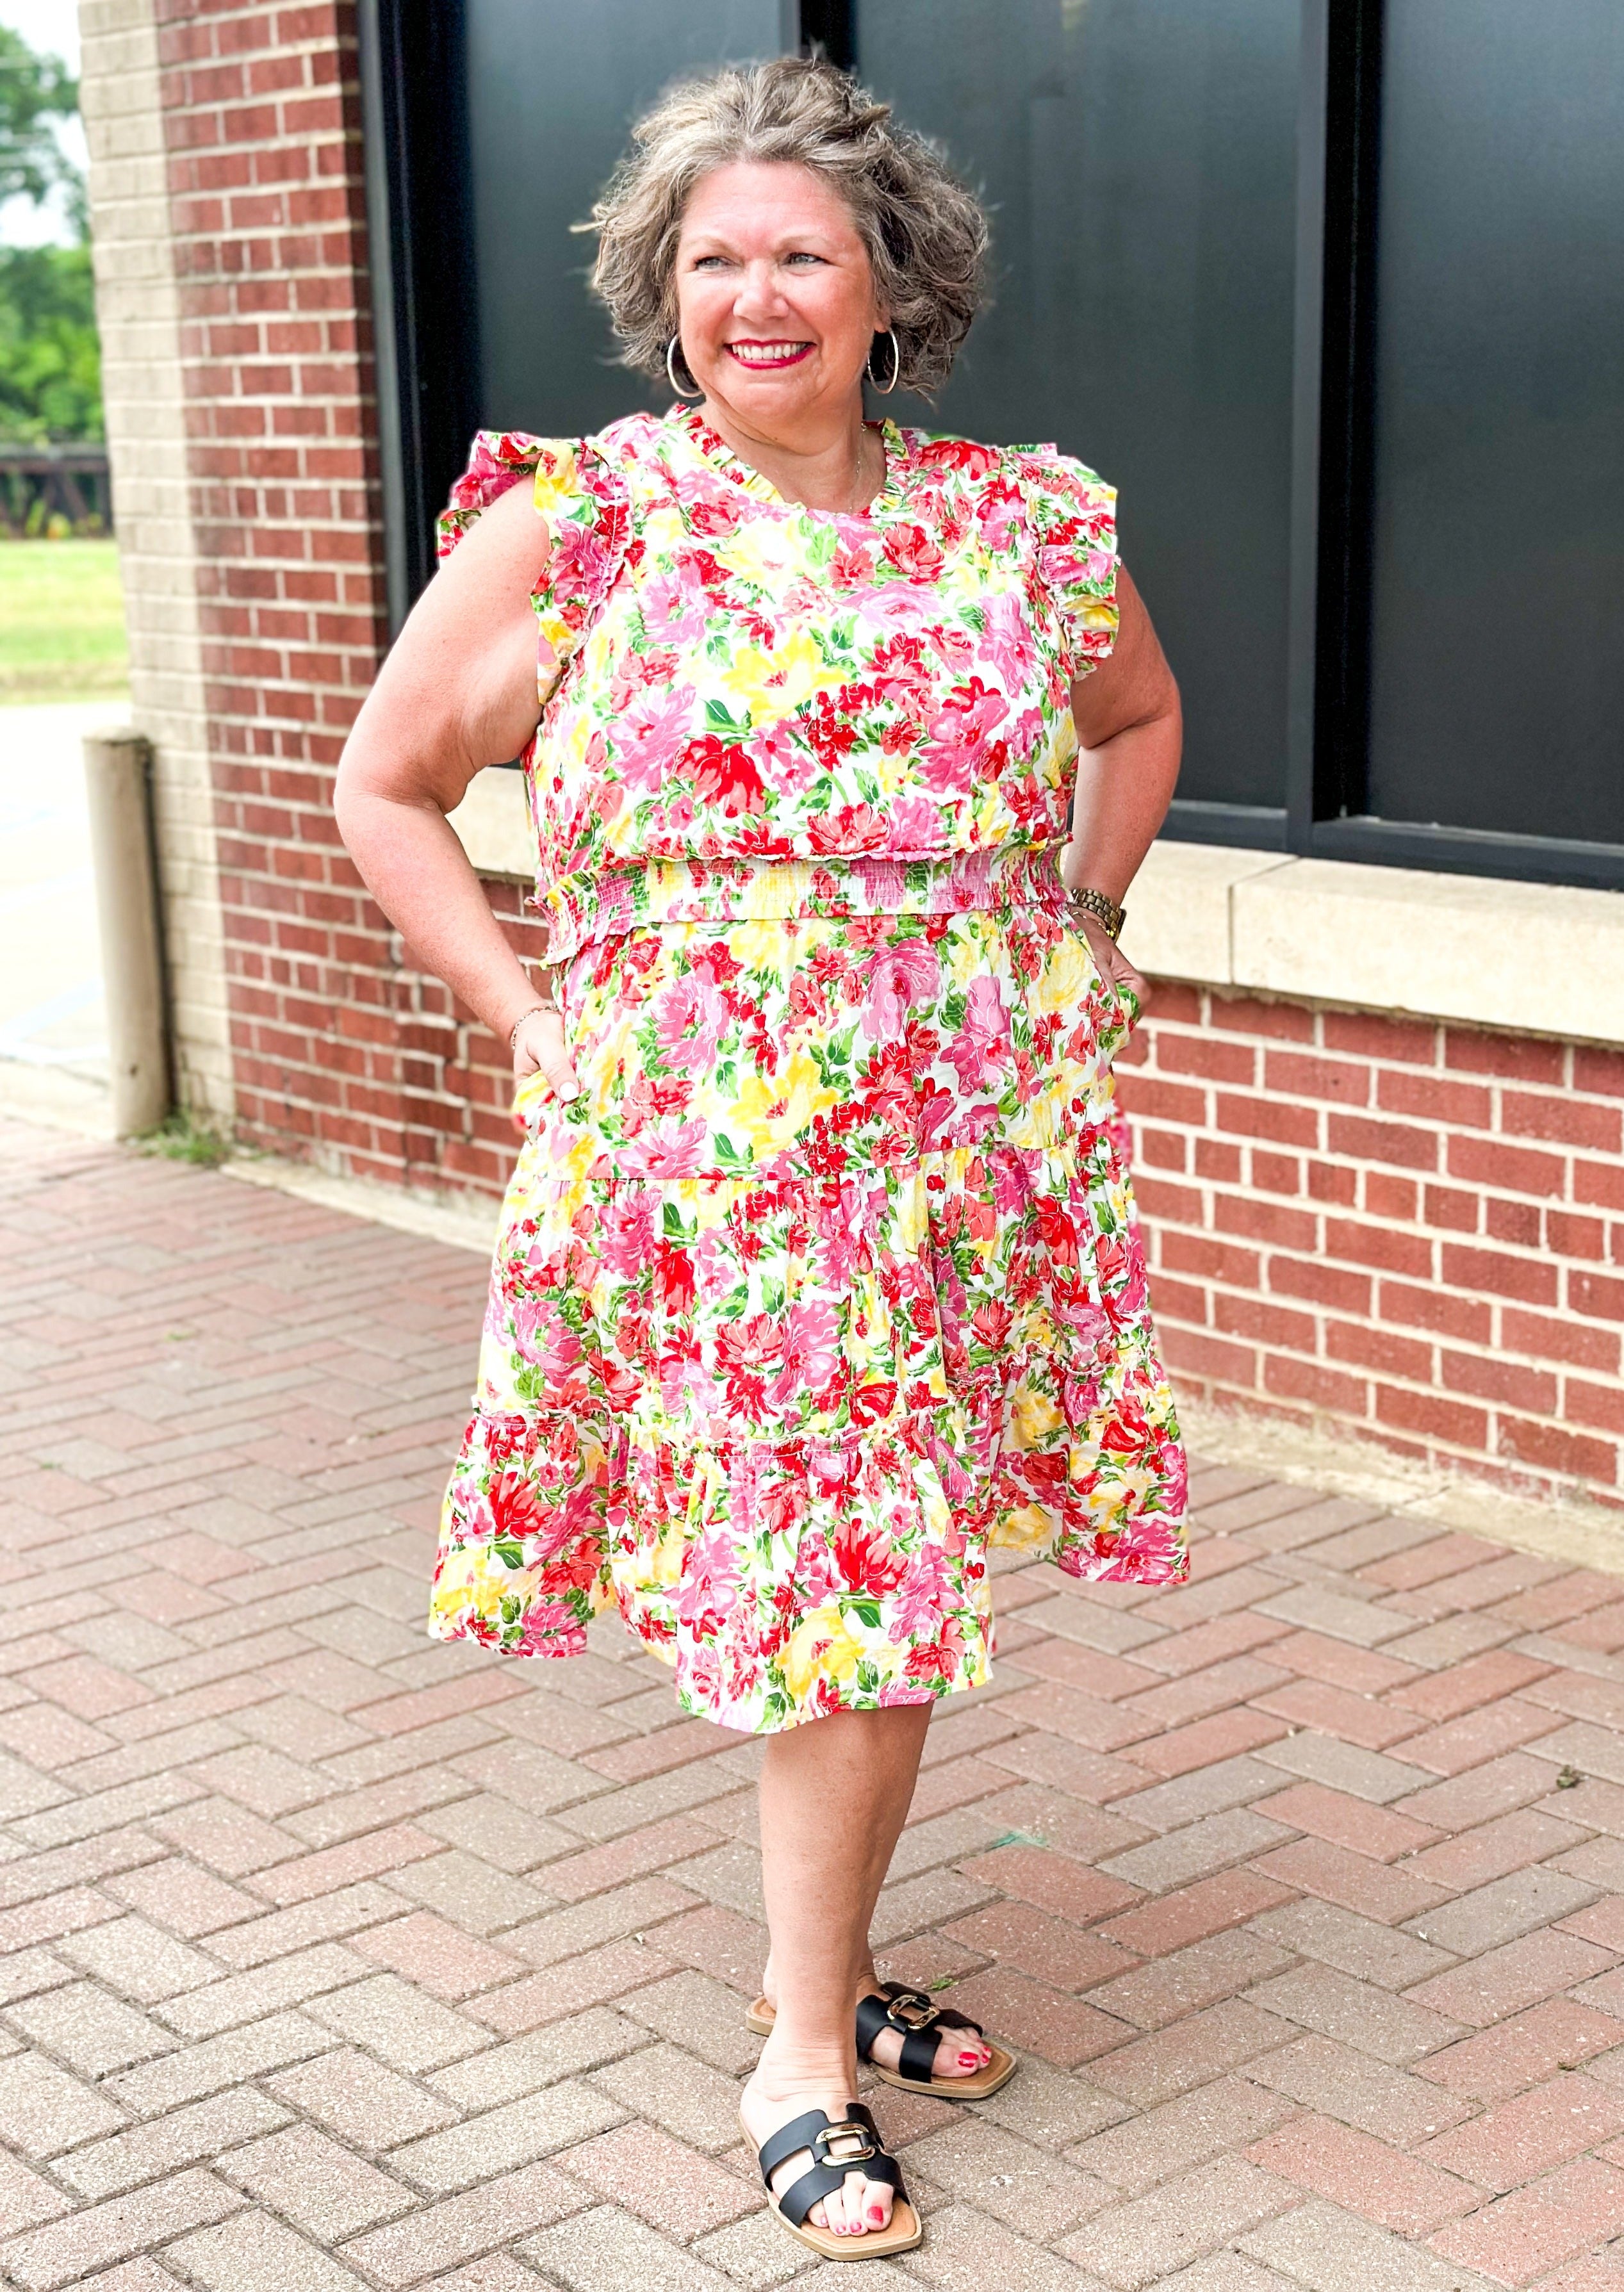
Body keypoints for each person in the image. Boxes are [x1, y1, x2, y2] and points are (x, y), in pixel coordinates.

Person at [334, 53, 1187, 2263]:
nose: (759, 291)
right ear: (665, 292)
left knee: (881, 1593)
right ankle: (801, 2046)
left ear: (893, 278)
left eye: (804, 249)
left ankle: (828, 1969)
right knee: (847, 1607)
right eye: (715, 258)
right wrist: (541, 1030)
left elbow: (1140, 721)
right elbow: (388, 780)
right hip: (720, 1169)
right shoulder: (590, 516)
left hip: (965, 1143)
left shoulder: (1021, 522)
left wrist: (1080, 924)